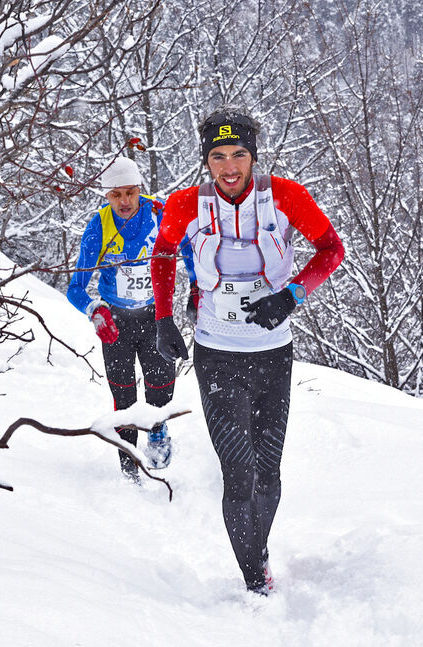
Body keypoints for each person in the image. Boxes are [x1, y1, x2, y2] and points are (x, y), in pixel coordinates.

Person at [150, 107, 344, 594]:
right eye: (218, 156)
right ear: (206, 160)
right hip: (215, 354)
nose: (230, 166)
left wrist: (292, 296)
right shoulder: (183, 205)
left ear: (253, 157)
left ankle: (259, 547)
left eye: (239, 154)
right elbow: (162, 254)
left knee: (268, 473)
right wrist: (162, 317)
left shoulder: (286, 197)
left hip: (273, 354)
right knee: (238, 476)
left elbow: (331, 250)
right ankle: (254, 575)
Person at [67, 156, 196, 484]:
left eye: (130, 192)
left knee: (160, 386)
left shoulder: (158, 213)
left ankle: (156, 429)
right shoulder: (99, 226)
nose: (124, 201)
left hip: (155, 316)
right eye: (115, 195)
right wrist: (95, 311)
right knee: (123, 396)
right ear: (106, 197)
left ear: (140, 189)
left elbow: (189, 247)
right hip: (117, 323)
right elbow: (75, 288)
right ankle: (129, 463)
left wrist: (196, 285)